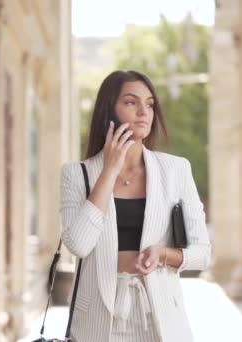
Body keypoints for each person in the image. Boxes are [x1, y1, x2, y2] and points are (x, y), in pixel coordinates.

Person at [60, 70, 211, 342]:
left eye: (150, 104)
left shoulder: (176, 170)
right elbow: (79, 245)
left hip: (158, 315)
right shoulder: (76, 174)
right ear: (109, 110)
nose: (144, 111)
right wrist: (109, 171)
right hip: (98, 319)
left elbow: (202, 253)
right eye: (131, 102)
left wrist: (163, 253)